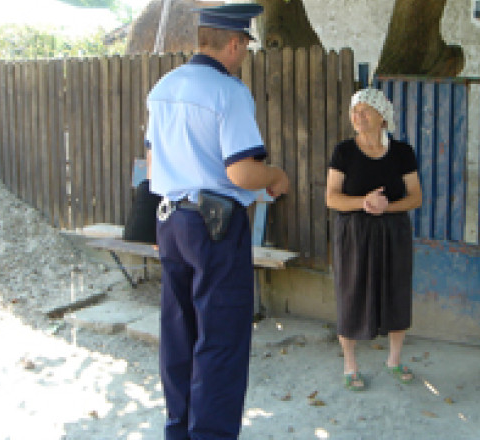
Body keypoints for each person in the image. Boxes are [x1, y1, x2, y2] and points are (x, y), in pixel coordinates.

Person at [144, 3, 289, 439]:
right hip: (215, 227)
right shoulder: (229, 92)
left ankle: (179, 429)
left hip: (170, 222)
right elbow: (242, 172)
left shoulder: (164, 88)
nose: (244, 53)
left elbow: (153, 166)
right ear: (233, 43)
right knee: (221, 339)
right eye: (245, 45)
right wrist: (276, 177)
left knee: (178, 331)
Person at [325, 88, 423, 391]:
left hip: (393, 232)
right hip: (354, 232)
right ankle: (350, 364)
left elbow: (416, 197)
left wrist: (386, 207)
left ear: (382, 117)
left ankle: (394, 359)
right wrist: (363, 203)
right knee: (351, 293)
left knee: (396, 291)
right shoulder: (344, 151)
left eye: (365, 111)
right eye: (354, 111)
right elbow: (331, 198)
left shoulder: (402, 152)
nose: (358, 117)